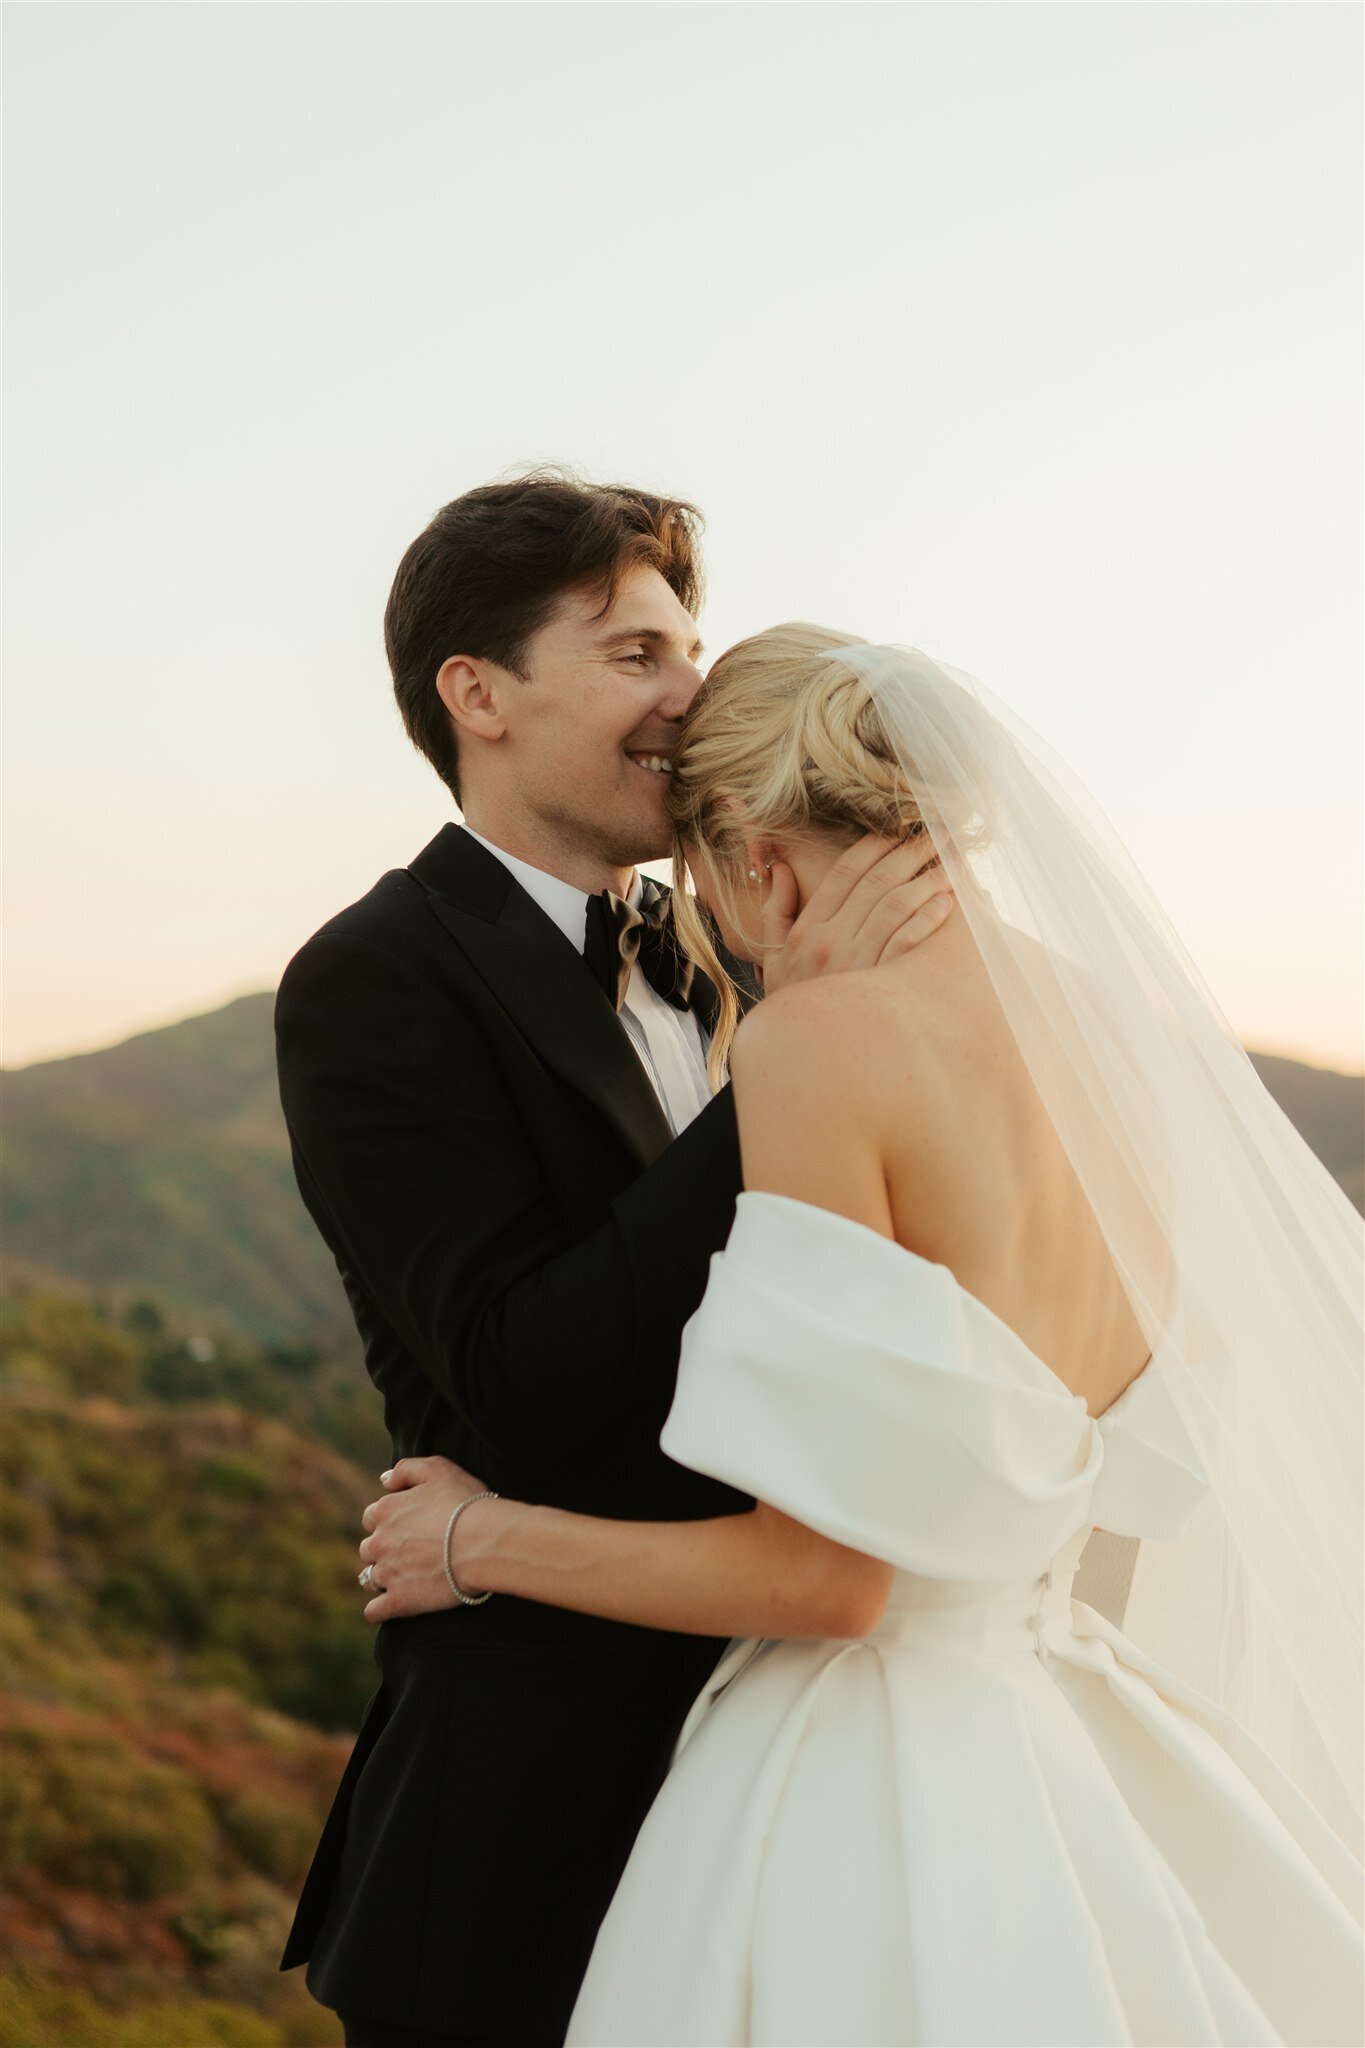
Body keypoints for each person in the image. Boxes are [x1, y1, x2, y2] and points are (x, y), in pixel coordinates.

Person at [361, 624, 1365, 2047]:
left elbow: (826, 1580)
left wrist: (474, 1539)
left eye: (712, 888)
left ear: (763, 866)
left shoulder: (821, 1046)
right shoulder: (1112, 1041)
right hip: (1063, 1730)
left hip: (874, 1770)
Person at [274, 482, 954, 2048]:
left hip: (804, 1753)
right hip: (537, 1805)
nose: (690, 696)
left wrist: (793, 1017)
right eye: (637, 652)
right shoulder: (371, 980)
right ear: (479, 695)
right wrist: (801, 1051)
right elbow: (519, 1370)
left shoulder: (728, 952)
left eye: (692, 648)